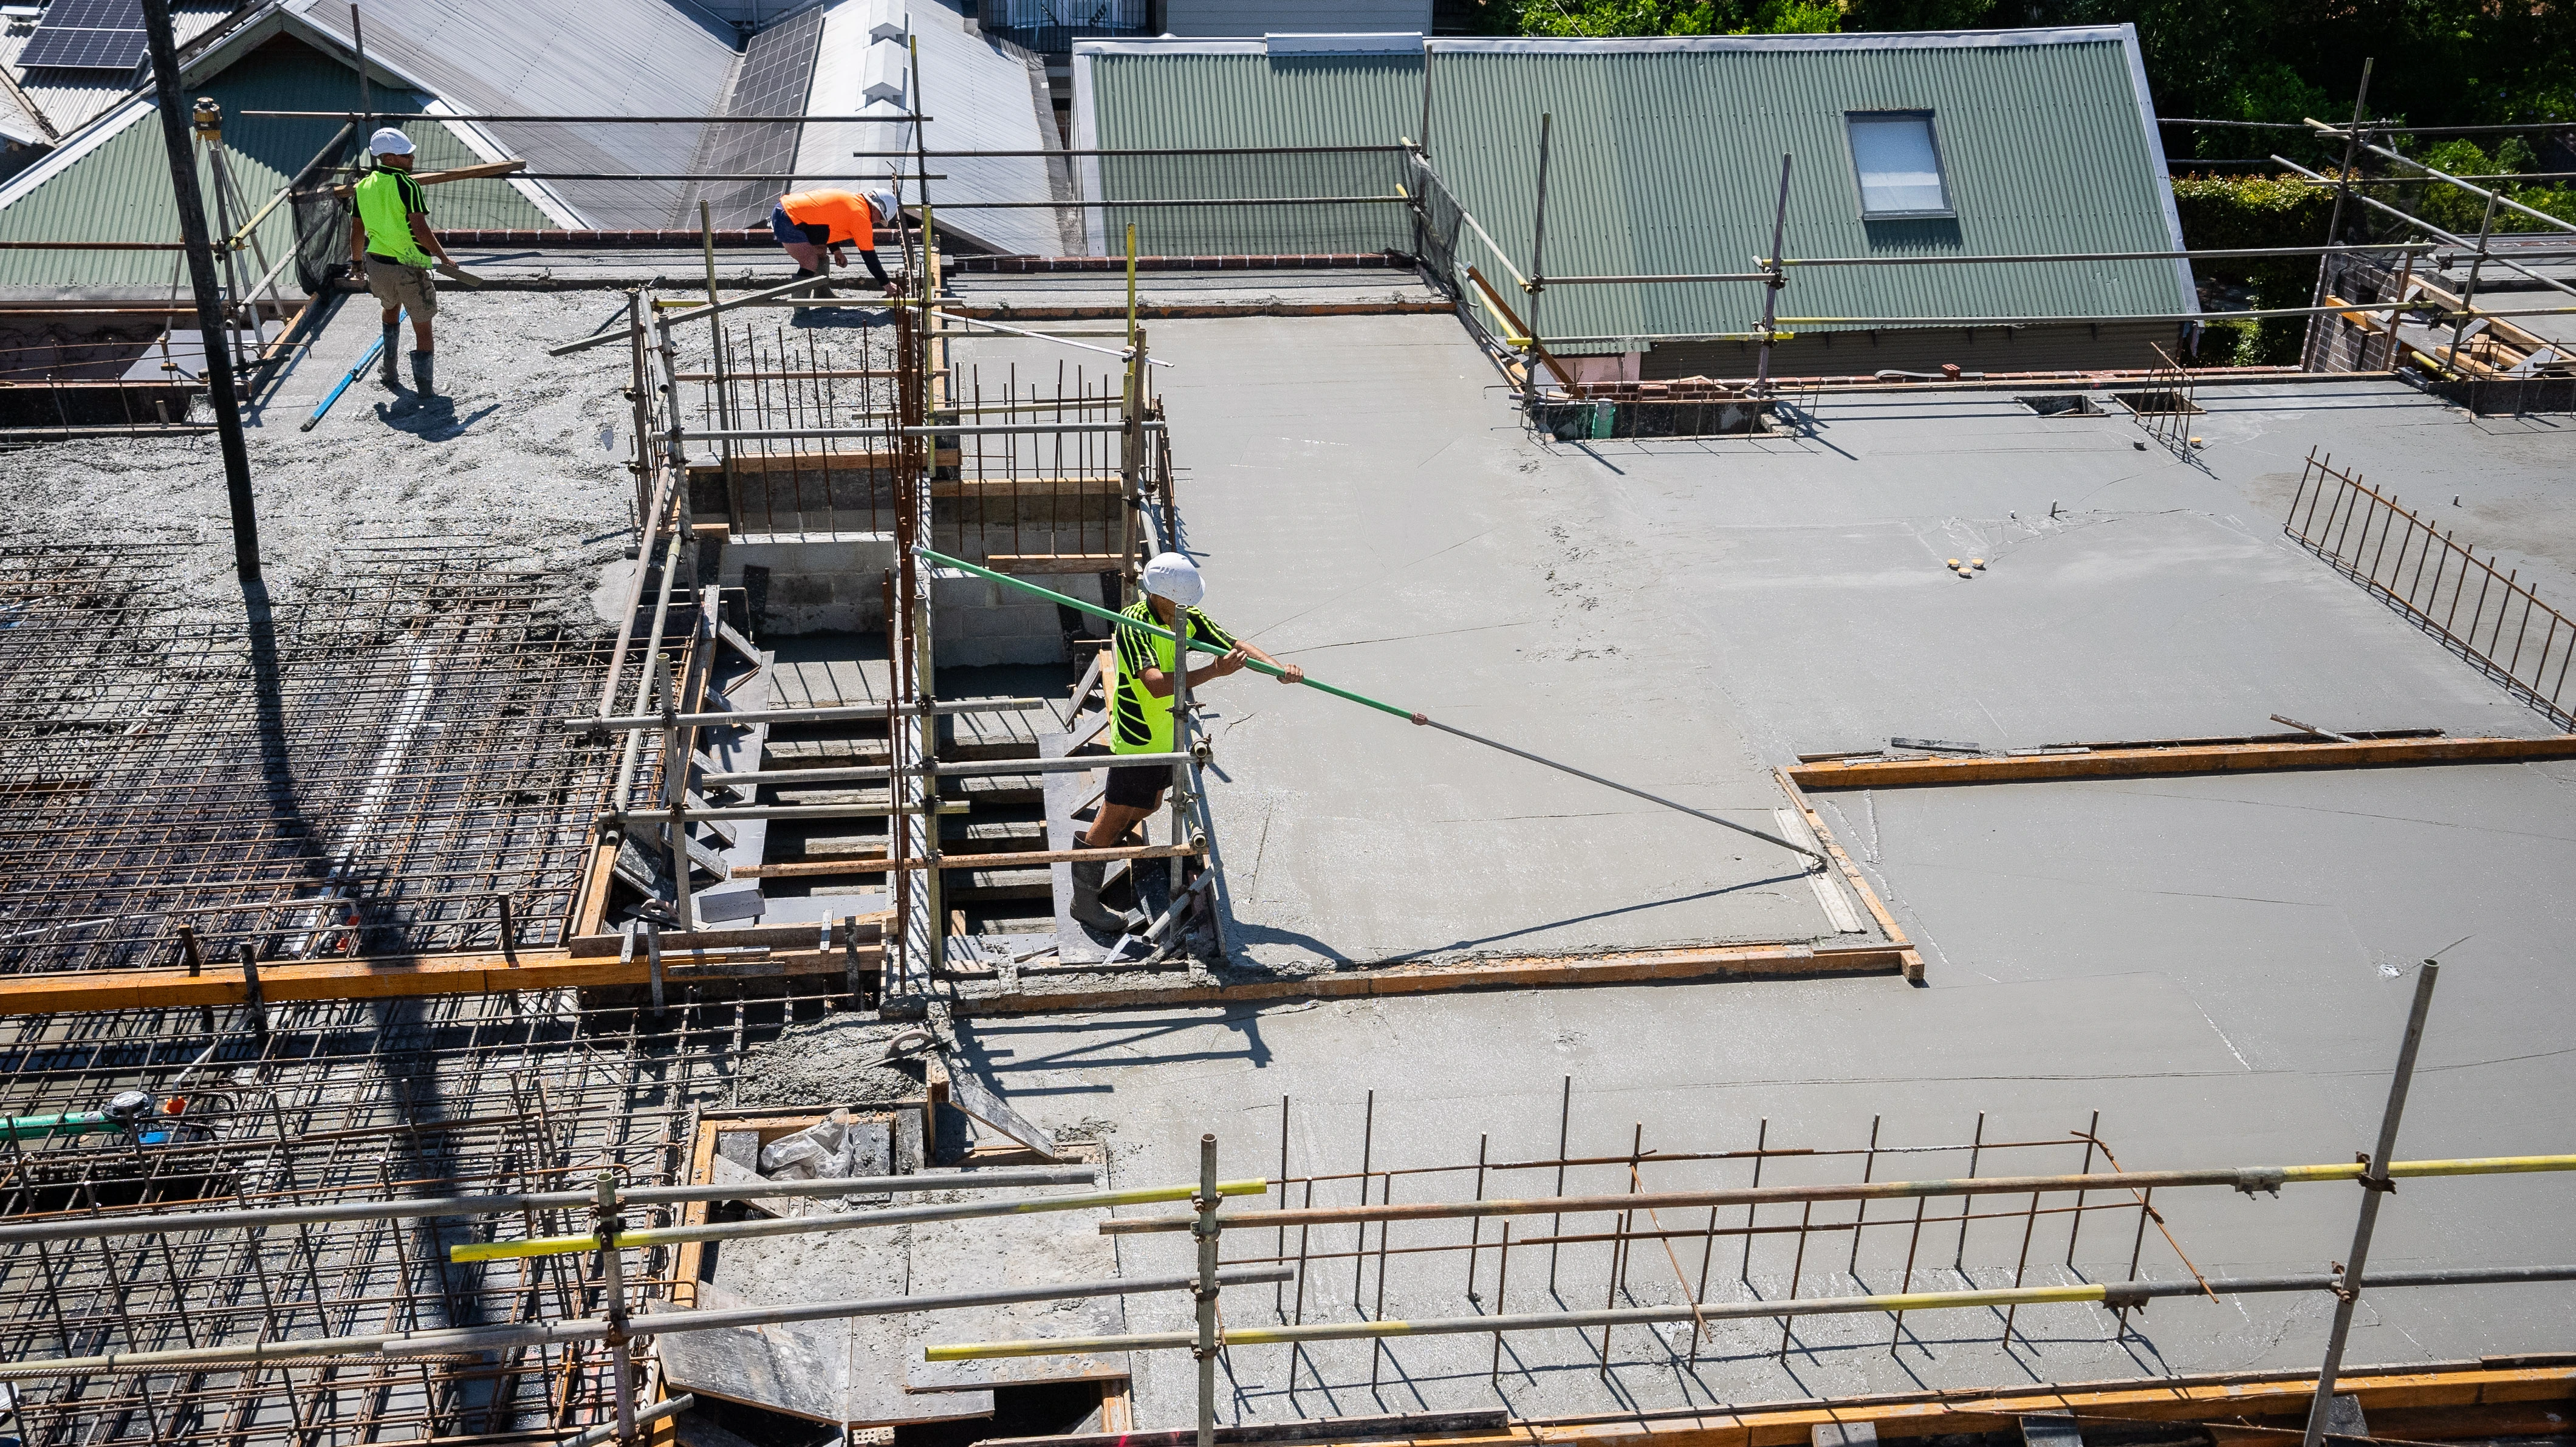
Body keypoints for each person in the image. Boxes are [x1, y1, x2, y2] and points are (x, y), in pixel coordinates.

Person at [1069, 553, 1303, 934]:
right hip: (1140, 739)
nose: (1187, 608)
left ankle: (1112, 840)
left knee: (1151, 804)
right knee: (1116, 811)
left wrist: (1277, 669)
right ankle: (1084, 900)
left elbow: (1234, 644)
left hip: (1169, 735)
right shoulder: (1133, 627)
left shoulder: (1186, 619)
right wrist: (1215, 670)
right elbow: (1158, 686)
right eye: (1180, 602)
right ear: (1158, 596)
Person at [349, 127, 458, 396]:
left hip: (376, 263)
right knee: (423, 324)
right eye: (406, 155)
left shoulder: (363, 186)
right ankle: (425, 388)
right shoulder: (407, 186)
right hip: (408, 265)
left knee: (390, 309)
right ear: (389, 157)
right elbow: (420, 229)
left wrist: (357, 263)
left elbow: (357, 229)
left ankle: (389, 371)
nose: (411, 158)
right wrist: (443, 257)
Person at [772, 188, 903, 300]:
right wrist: (887, 284)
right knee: (810, 262)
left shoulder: (855, 202)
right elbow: (869, 257)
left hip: (788, 211)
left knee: (820, 251)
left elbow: (827, 225)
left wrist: (837, 251)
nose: (877, 222)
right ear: (875, 208)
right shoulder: (861, 217)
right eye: (880, 218)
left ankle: (822, 295)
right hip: (787, 217)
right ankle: (800, 310)